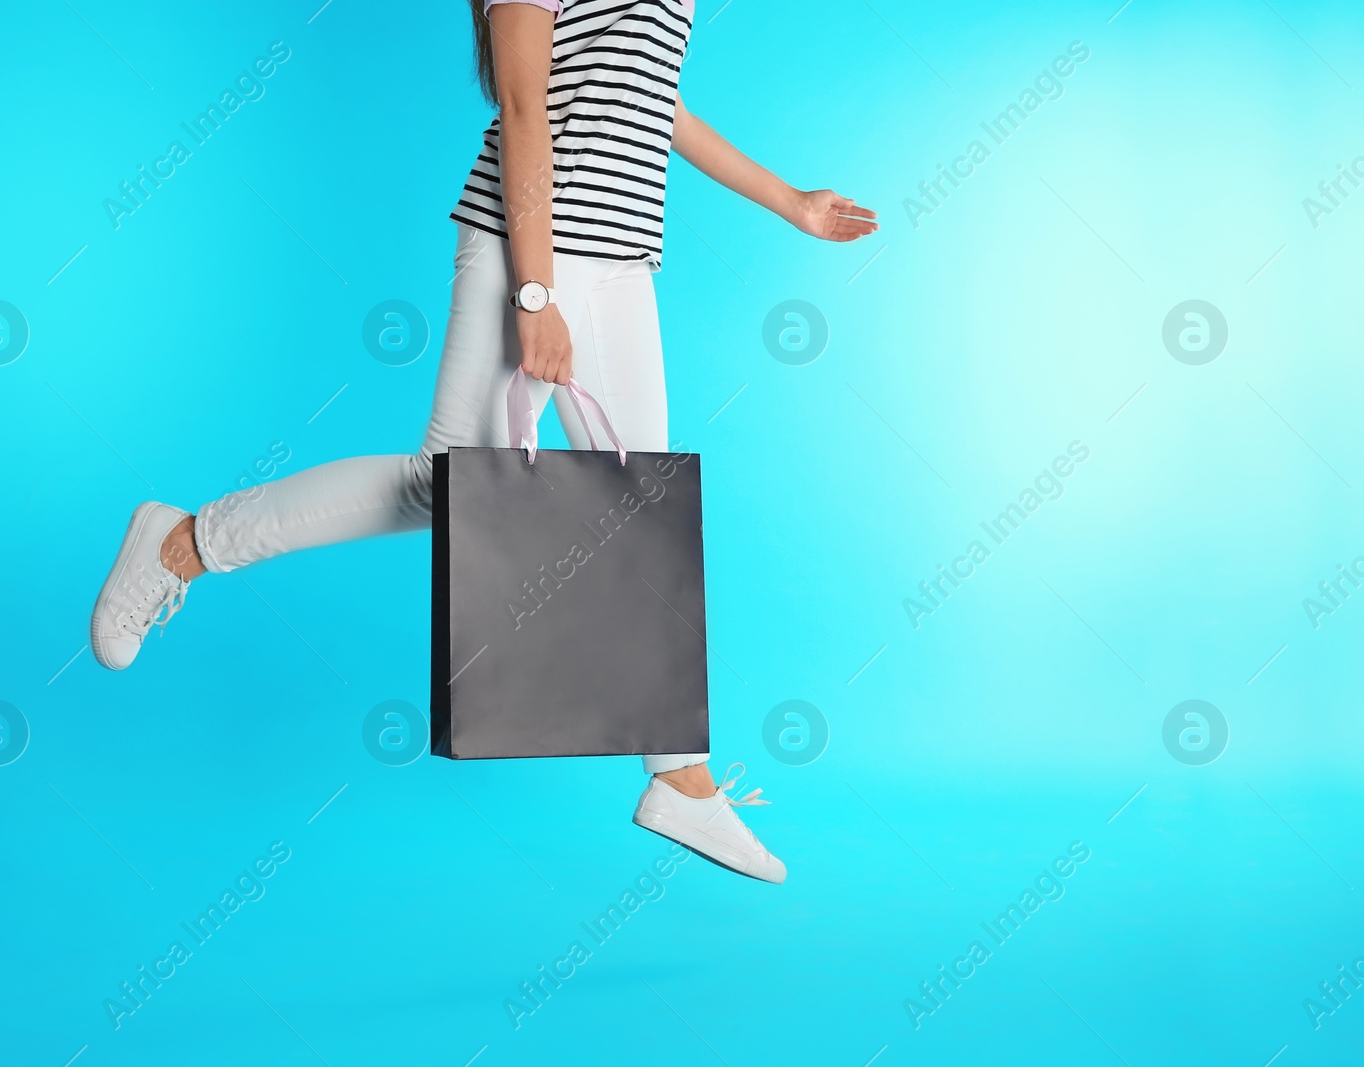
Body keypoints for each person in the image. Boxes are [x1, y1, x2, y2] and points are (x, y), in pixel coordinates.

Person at [88, 0, 877, 884]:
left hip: (622, 257)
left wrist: (791, 203)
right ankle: (183, 543)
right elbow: (526, 105)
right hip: (525, 246)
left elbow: (658, 102)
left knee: (640, 503)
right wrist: (535, 298)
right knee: (446, 484)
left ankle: (680, 777)